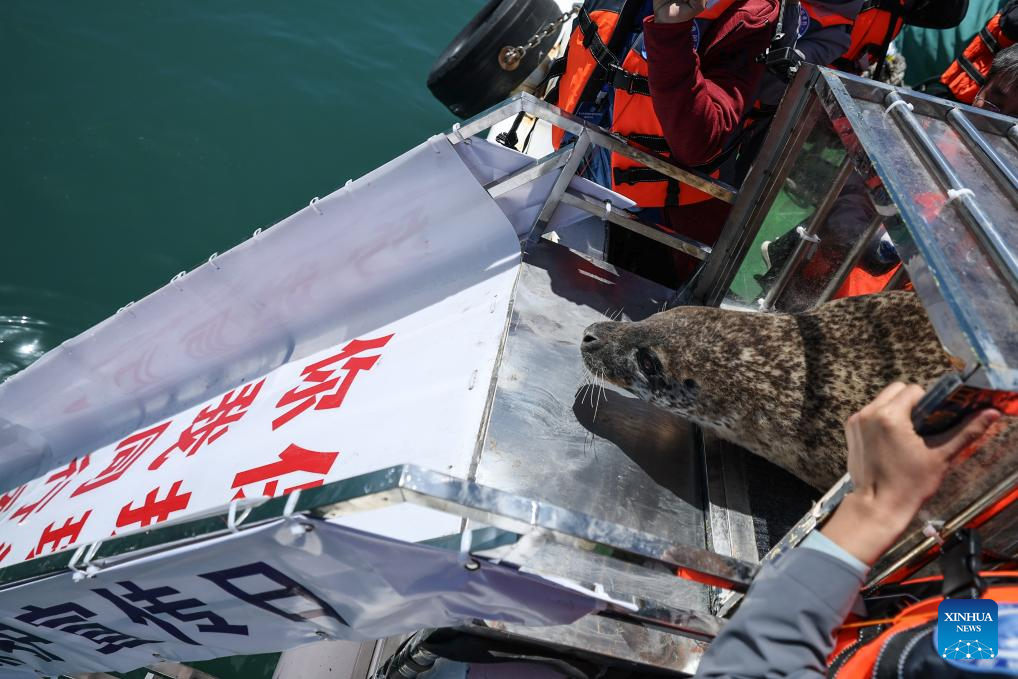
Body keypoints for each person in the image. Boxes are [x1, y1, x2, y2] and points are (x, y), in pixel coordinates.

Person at [694, 382, 1002, 678]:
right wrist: (967, 603)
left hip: (853, 645)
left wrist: (873, 508)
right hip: (962, 621)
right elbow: (972, 657)